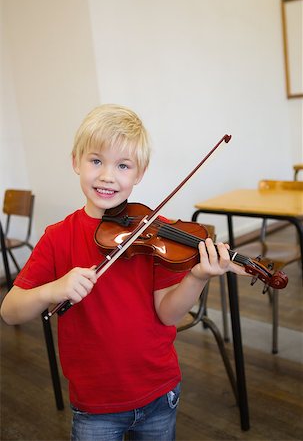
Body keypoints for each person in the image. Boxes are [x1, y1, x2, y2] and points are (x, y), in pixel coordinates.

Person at [1, 104, 246, 441]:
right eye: (96, 160)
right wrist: (53, 289)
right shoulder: (58, 237)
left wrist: (198, 276)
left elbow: (168, 313)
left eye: (123, 165)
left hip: (159, 391)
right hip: (95, 404)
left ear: (138, 174)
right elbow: (10, 311)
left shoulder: (152, 234)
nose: (107, 176)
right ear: (76, 161)